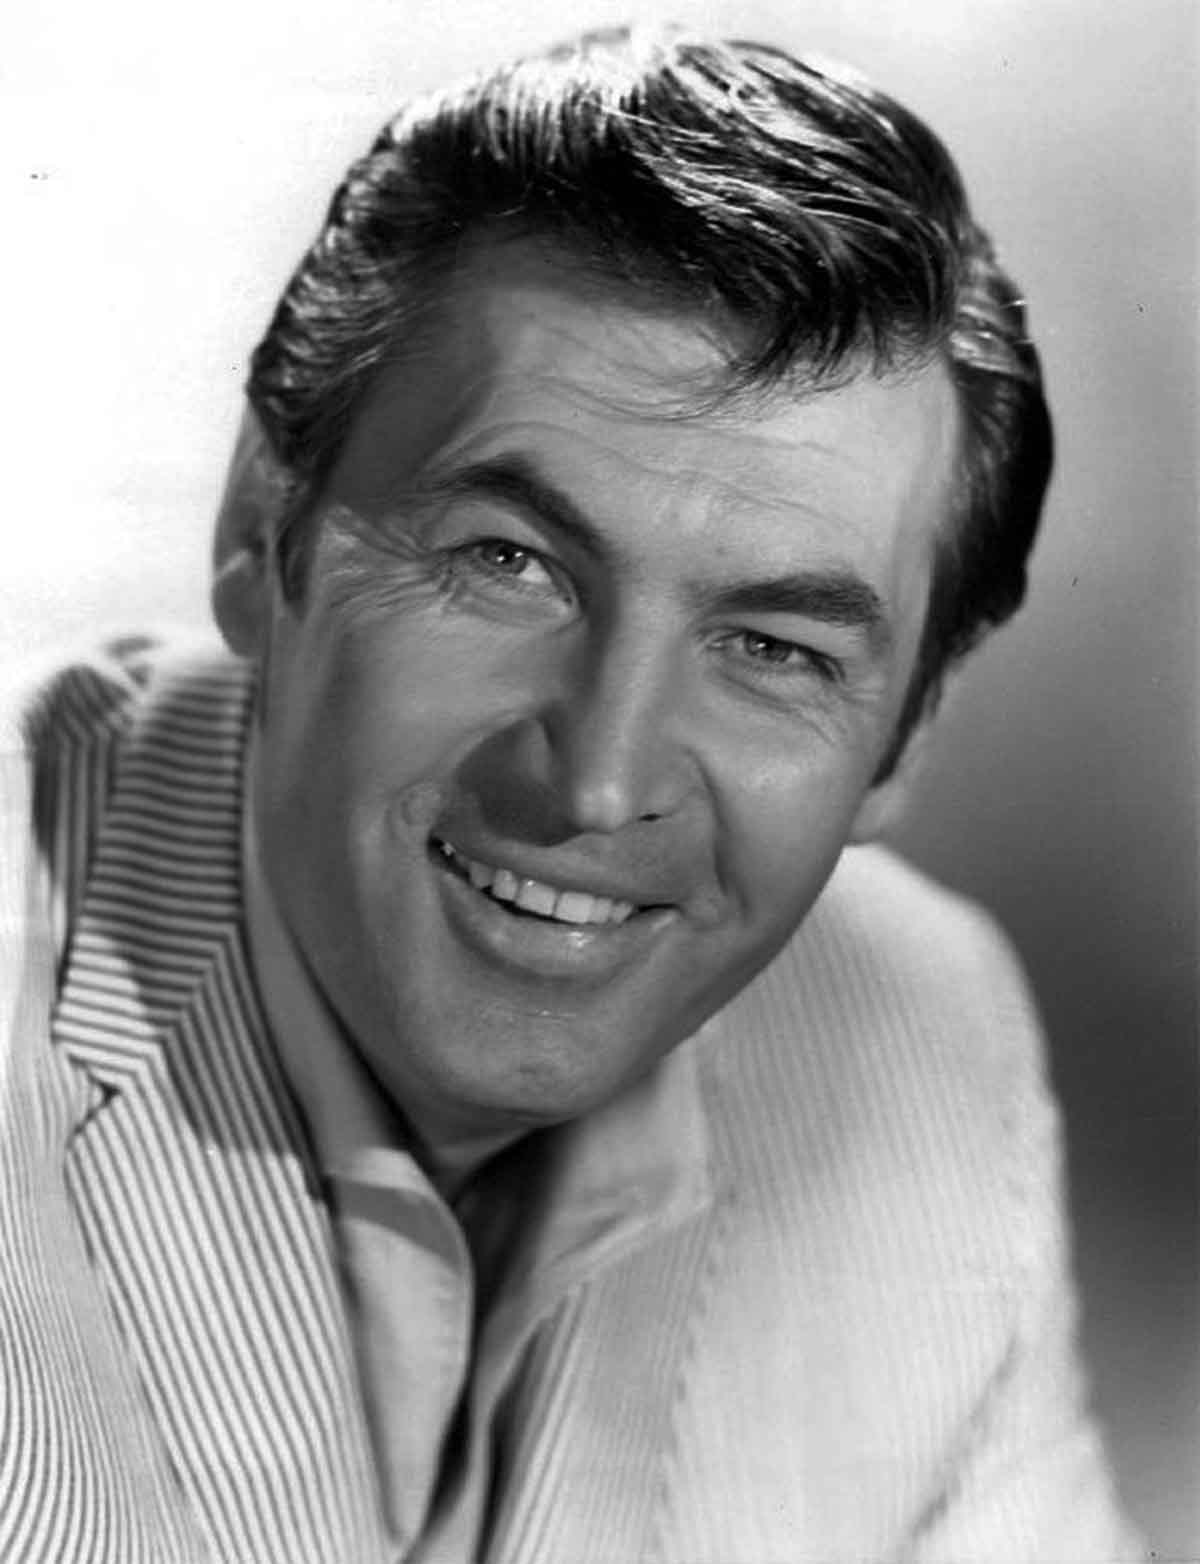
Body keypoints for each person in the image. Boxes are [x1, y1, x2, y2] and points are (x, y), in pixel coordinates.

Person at [0, 23, 1142, 1564]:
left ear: (908, 735)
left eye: (773, 648)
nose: (599, 783)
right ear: (263, 530)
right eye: (508, 563)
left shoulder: (920, 1041)